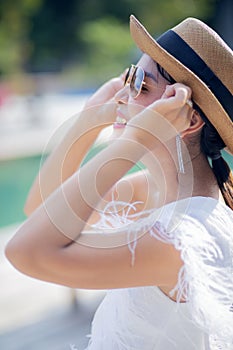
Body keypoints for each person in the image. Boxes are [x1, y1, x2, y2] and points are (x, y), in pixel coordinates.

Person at [5, 15, 233, 350]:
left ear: (188, 116)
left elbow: (26, 251)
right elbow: (42, 207)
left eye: (140, 83)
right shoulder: (156, 193)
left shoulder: (182, 240)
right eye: (129, 75)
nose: (123, 93)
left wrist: (136, 140)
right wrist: (90, 118)